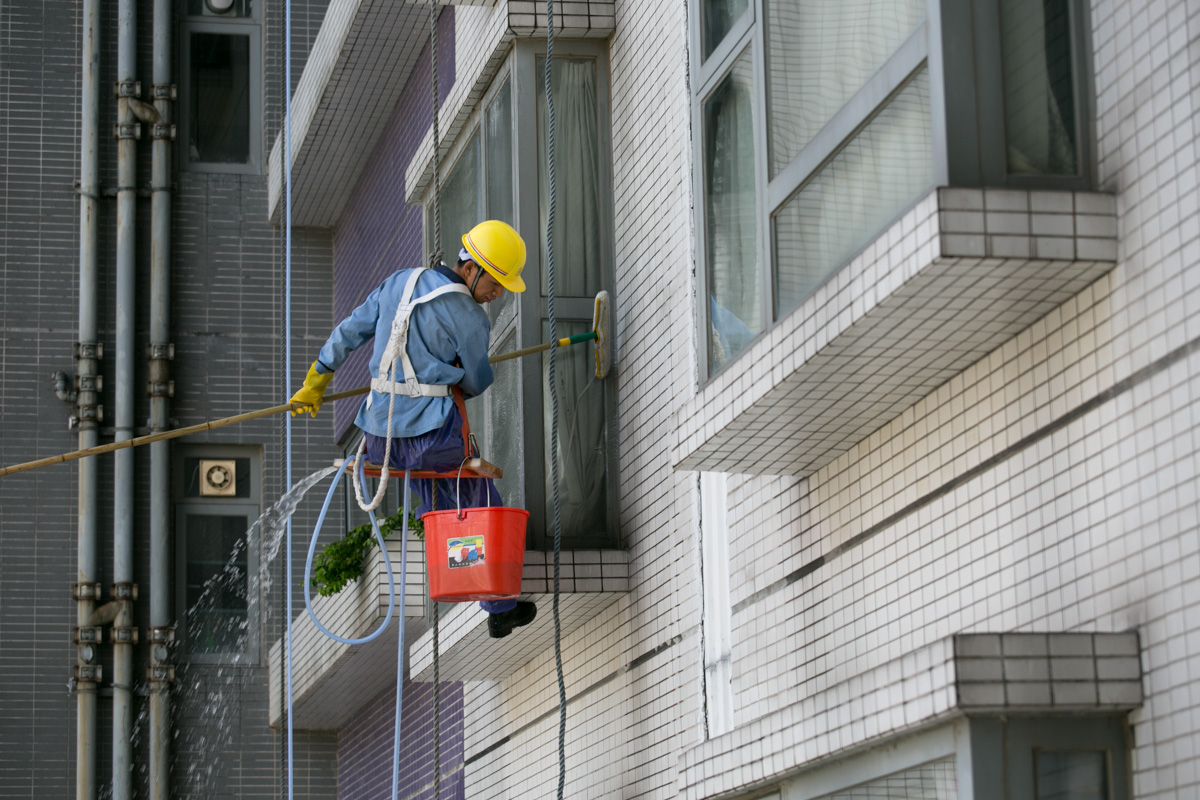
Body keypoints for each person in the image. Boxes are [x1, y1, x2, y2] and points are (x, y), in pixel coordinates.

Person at [290, 219, 537, 640]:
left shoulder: (398, 283)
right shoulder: (469, 316)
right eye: (495, 283)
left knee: (436, 500)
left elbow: (350, 331)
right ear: (471, 269)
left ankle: (459, 574)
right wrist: (450, 370)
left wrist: (317, 380)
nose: (497, 294)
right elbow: (476, 381)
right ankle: (498, 606)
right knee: (477, 501)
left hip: (380, 438)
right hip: (432, 437)